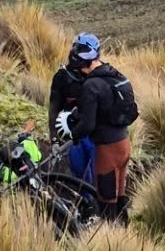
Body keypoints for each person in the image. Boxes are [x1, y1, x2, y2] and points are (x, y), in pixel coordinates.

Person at [48, 32, 134, 223]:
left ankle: (110, 238)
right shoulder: (112, 75)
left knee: (106, 197)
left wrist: (71, 136)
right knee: (117, 195)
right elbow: (54, 107)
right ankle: (113, 226)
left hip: (101, 144)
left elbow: (88, 124)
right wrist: (55, 137)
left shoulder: (92, 84)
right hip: (122, 142)